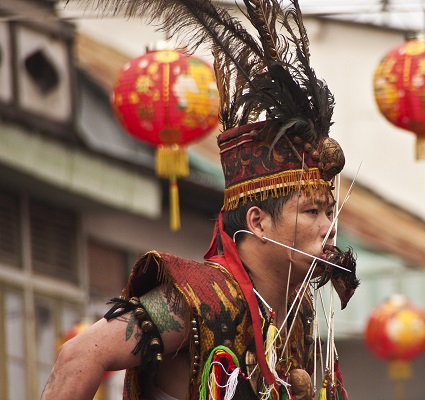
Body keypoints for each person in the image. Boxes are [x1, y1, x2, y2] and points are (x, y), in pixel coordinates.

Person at [41, 1, 358, 399]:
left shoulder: (299, 315)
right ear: (258, 222)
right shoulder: (196, 297)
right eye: (311, 211)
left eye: (330, 211)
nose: (329, 225)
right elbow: (79, 355)